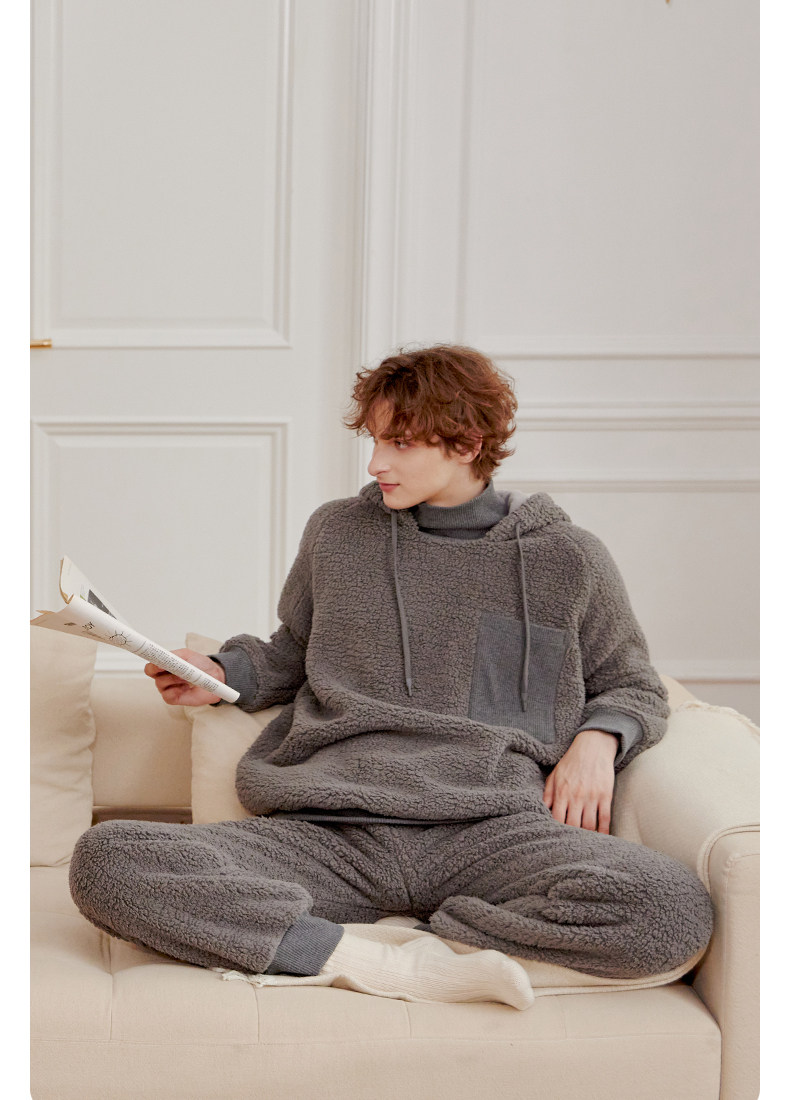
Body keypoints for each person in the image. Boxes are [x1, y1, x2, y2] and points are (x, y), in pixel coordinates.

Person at [69, 345, 713, 1010]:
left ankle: (433, 942)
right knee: (108, 860)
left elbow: (632, 683)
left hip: (490, 830)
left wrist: (599, 740)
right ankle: (361, 960)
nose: (376, 463)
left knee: (672, 908)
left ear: (468, 443)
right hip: (331, 830)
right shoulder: (338, 534)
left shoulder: (567, 559)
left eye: (399, 443)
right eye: (375, 440)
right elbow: (293, 651)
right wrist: (222, 673)